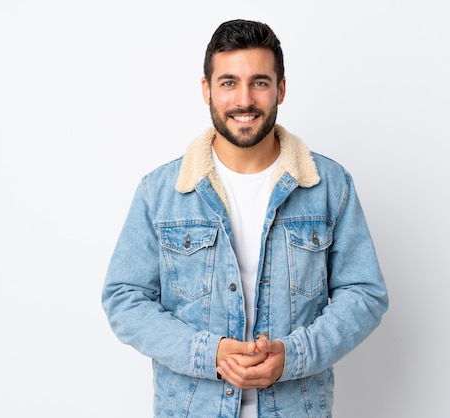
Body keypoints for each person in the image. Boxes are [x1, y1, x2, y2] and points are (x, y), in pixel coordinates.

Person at [102, 19, 388, 418]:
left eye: (259, 82)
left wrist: (293, 356)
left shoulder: (328, 185)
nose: (244, 100)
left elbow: (364, 294)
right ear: (207, 89)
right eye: (228, 82)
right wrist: (210, 354)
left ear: (280, 89)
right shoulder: (161, 191)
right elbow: (124, 299)